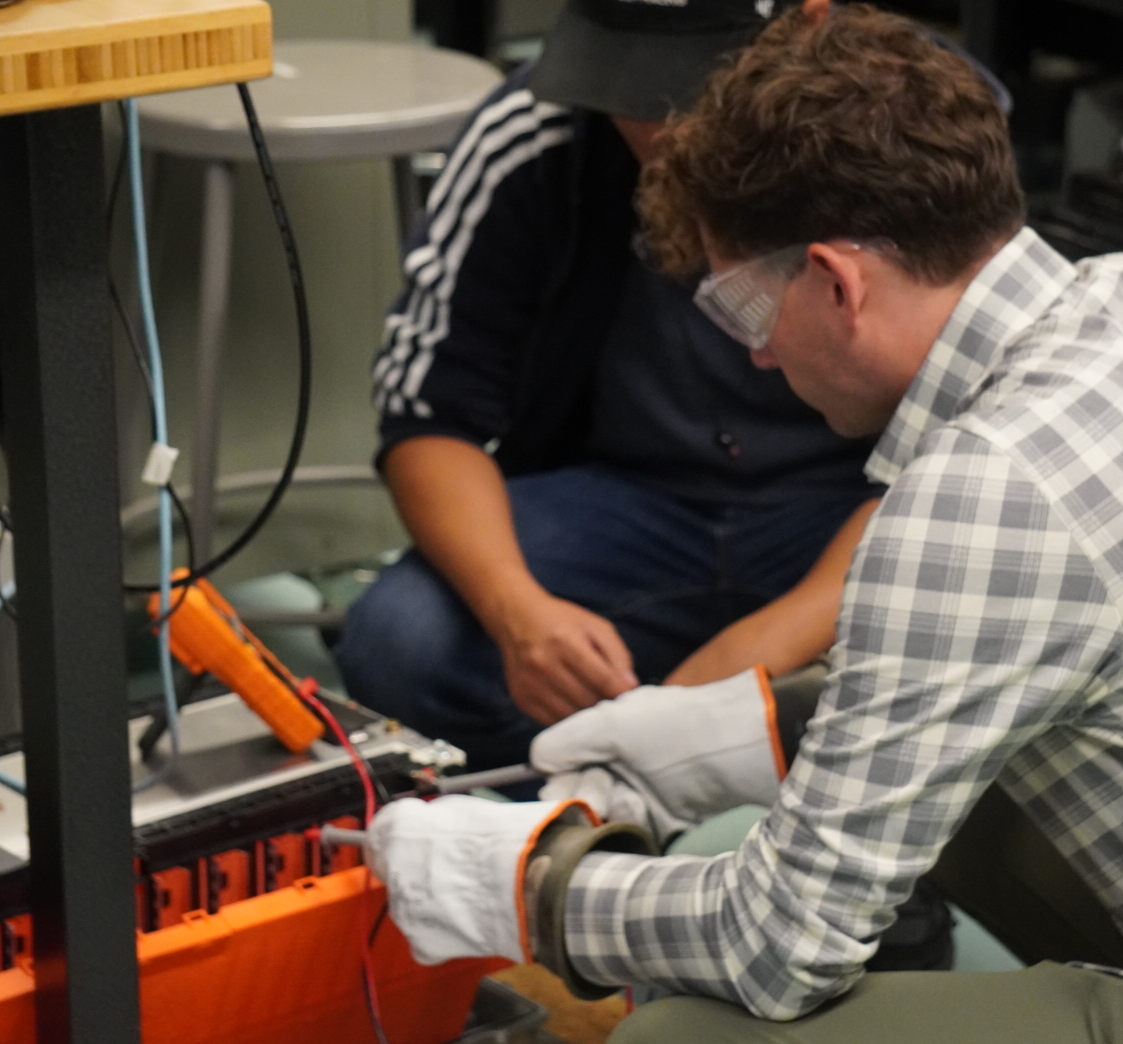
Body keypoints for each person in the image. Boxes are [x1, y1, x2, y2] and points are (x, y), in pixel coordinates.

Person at [365, 6, 1123, 1044]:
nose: (755, 355)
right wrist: (741, 734)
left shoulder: (986, 488)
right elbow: (972, 679)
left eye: (743, 309)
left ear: (834, 281)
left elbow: (776, 947)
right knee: (930, 800)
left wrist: (526, 884)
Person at [335, 0, 887, 781]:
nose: (667, 129)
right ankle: (587, 796)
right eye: (628, 86)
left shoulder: (909, 126)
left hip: (858, 510)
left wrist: (762, 652)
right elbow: (427, 416)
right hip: (627, 502)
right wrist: (520, 615)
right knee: (402, 640)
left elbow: (961, 448)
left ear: (807, 20)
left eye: (695, 89)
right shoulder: (535, 135)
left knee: (948, 641)